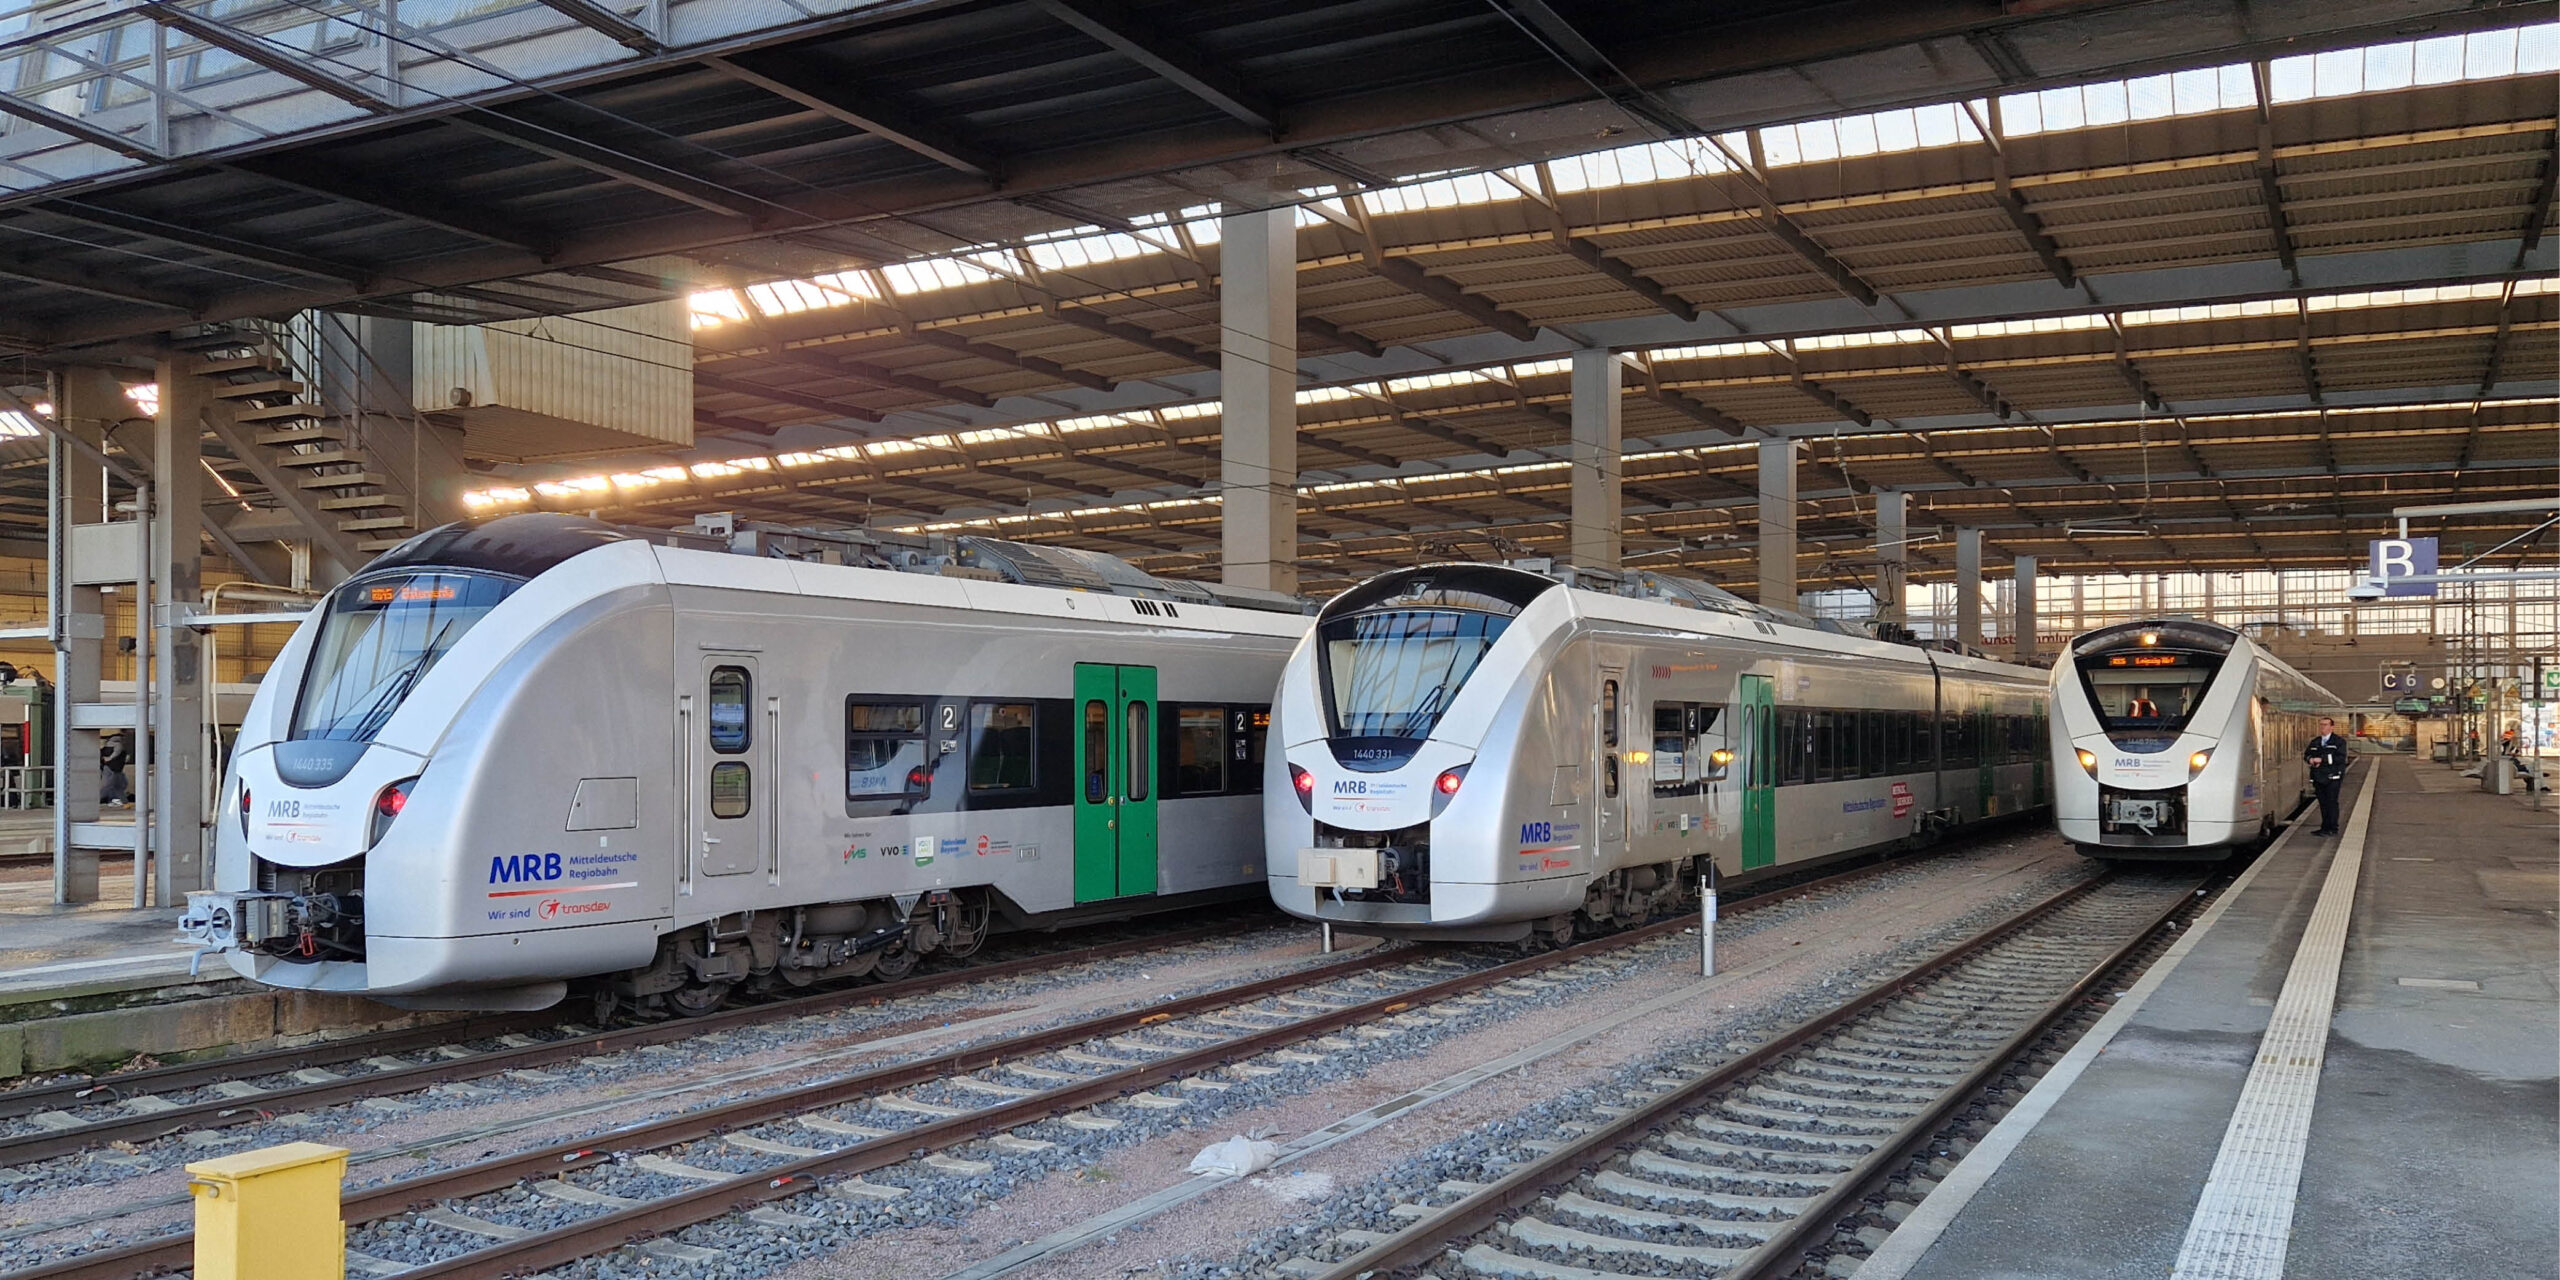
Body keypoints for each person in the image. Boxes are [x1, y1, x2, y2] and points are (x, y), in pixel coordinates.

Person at [2304, 716, 2348, 836]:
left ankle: (2333, 828)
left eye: (2325, 724)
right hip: (2318, 778)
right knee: (2323, 803)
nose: (2323, 727)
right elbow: (2306, 755)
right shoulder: (2315, 742)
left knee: (2332, 802)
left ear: (2331, 727)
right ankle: (2324, 827)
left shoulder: (2339, 742)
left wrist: (2321, 759)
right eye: (2321, 725)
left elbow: (2340, 758)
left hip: (2333, 777)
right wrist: (2311, 760)